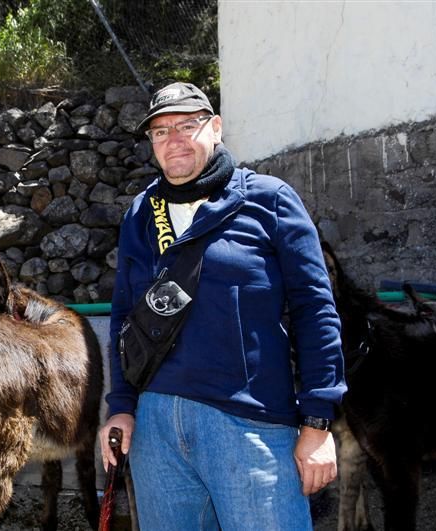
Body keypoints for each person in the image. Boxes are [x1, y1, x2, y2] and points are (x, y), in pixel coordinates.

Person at [99, 81, 346, 530]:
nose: (173, 139)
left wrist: (317, 423)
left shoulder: (269, 201)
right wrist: (121, 406)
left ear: (215, 128)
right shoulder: (140, 213)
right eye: (160, 131)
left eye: (187, 125)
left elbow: (316, 313)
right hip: (157, 430)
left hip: (251, 425)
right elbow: (124, 317)